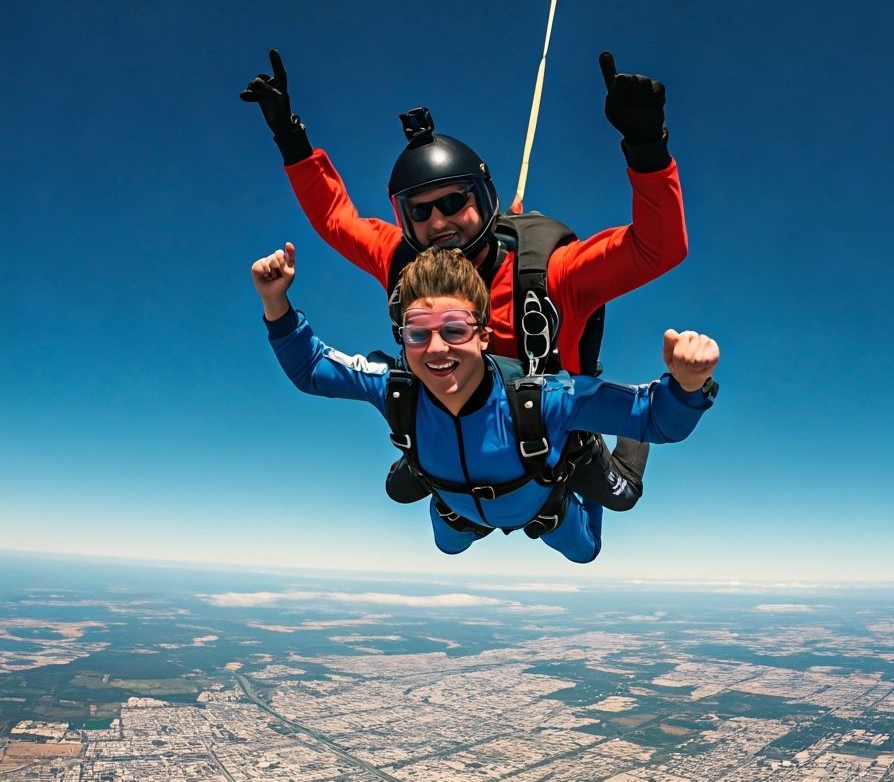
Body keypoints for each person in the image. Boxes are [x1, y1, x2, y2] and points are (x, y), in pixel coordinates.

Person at [241, 49, 687, 512]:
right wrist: (290, 138)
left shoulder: (550, 273)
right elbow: (336, 219)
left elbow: (658, 249)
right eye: (420, 211)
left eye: (454, 202)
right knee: (410, 492)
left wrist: (647, 148)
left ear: (484, 198)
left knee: (620, 498)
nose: (438, 223)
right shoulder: (402, 262)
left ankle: (628, 449)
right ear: (404, 219)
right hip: (452, 423)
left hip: (553, 425)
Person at [251, 243, 719, 564]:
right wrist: (275, 302)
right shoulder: (395, 387)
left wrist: (687, 385)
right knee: (448, 546)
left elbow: (657, 420)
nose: (436, 349)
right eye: (418, 333)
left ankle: (588, 441)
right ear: (402, 338)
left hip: (542, 506)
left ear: (484, 336)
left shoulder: (543, 400)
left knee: (589, 547)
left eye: (454, 330)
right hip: (459, 509)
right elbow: (311, 369)